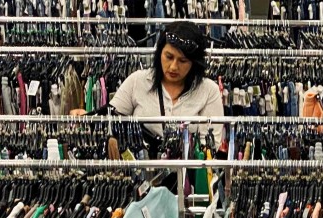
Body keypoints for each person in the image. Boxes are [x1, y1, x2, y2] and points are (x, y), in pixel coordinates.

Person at [71, 20, 224, 147]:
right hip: (143, 176)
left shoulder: (209, 91)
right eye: (168, 57)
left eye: (183, 61)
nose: (173, 67)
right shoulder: (138, 81)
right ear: (159, 53)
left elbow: (211, 146)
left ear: (194, 63)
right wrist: (88, 117)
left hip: (191, 178)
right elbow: (111, 116)